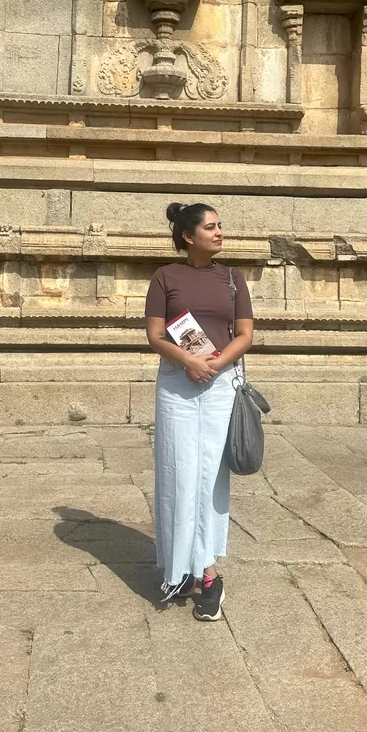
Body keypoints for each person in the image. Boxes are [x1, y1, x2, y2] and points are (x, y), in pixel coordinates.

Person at [144, 202, 254, 621]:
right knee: (176, 471)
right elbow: (155, 333)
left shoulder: (232, 278)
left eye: (220, 225)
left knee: (210, 474)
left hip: (220, 382)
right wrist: (189, 361)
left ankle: (207, 572)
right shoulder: (165, 277)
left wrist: (214, 363)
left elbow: (245, 333)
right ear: (189, 236)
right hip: (177, 381)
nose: (220, 232)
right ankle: (181, 569)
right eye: (211, 227)